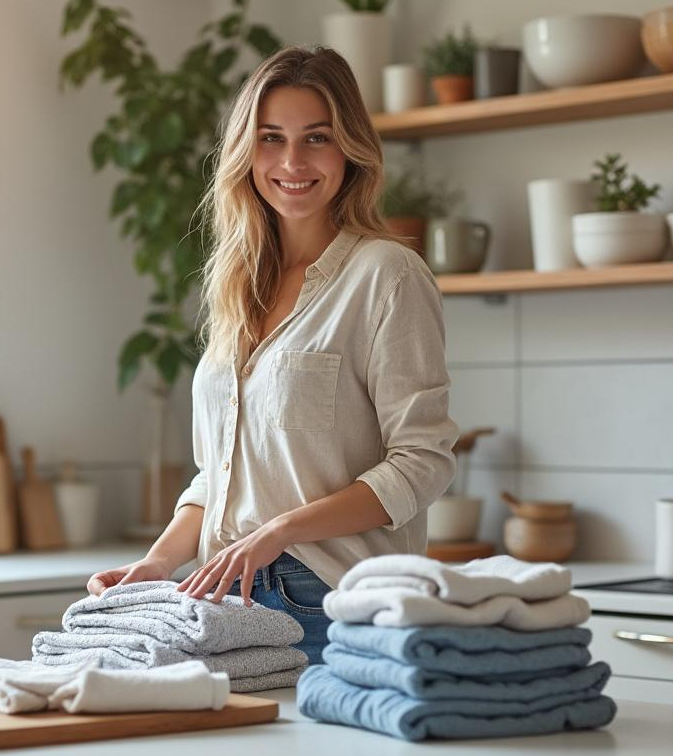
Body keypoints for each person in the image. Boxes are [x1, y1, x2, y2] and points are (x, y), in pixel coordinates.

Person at [86, 46, 459, 666]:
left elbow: (423, 462)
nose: (291, 162)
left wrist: (279, 532)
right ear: (245, 152)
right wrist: (157, 561)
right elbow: (222, 475)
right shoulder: (238, 286)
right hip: (226, 598)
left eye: (316, 138)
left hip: (330, 600)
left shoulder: (386, 275)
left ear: (350, 150)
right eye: (270, 138)